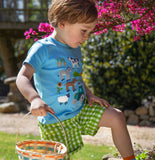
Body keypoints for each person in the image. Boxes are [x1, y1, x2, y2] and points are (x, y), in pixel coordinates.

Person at [16, 0, 136, 159]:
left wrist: (90, 95)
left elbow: (76, 76)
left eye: (89, 32)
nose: (87, 37)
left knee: (117, 117)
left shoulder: (75, 48)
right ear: (63, 23)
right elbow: (22, 77)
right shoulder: (43, 48)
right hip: (55, 120)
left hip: (80, 110)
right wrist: (34, 98)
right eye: (84, 31)